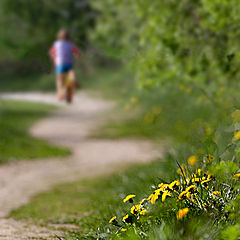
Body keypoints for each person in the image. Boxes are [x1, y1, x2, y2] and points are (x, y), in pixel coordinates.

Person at [49, 29, 80, 100]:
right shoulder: (71, 44)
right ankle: (73, 80)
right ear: (68, 36)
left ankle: (60, 94)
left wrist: (54, 60)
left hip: (59, 64)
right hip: (69, 64)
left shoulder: (56, 44)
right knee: (70, 74)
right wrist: (76, 59)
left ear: (59, 36)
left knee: (60, 80)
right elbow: (77, 53)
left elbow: (52, 53)